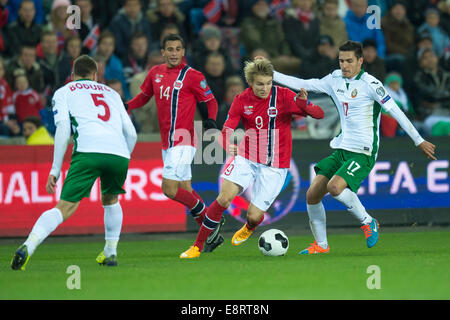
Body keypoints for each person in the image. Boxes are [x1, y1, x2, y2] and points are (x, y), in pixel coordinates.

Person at [273, 40, 436, 254]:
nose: (345, 65)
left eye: (349, 61)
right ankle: (321, 245)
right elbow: (306, 83)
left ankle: (369, 221)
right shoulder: (334, 79)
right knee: (312, 195)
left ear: (360, 61)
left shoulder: (371, 84)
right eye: (341, 60)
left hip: (364, 151)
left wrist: (419, 140)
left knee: (335, 187)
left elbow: (396, 111)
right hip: (342, 148)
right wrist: (272, 74)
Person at [179, 57, 325, 259]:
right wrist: (225, 143)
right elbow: (227, 128)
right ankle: (197, 246)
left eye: (268, 83)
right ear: (250, 82)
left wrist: (305, 104)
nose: (265, 88)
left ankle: (249, 227)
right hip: (247, 157)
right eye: (260, 84)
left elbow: (320, 114)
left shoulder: (283, 96)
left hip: (276, 165)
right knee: (224, 198)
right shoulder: (241, 99)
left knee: (254, 215)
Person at [10, 55, 137, 270]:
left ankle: (27, 247)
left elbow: (63, 130)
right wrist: (124, 156)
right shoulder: (113, 94)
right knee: (111, 199)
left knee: (65, 207)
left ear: (72, 75)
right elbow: (131, 133)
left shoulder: (64, 92)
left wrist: (55, 169)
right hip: (119, 153)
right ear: (96, 76)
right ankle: (111, 252)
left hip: (88, 151)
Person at [126, 34, 224, 252]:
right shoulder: (155, 73)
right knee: (185, 188)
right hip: (166, 142)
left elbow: (210, 100)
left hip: (184, 139)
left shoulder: (192, 75)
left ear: (183, 52)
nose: (173, 53)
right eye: (169, 49)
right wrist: (127, 106)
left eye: (178, 49)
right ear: (163, 52)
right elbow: (144, 96)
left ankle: (212, 221)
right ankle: (210, 231)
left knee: (169, 189)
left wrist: (211, 119)